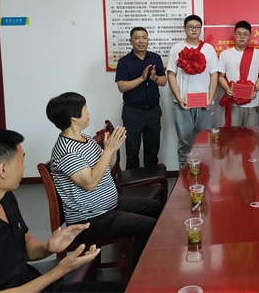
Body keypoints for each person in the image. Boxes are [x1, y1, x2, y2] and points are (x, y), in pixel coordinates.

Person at [0, 129, 126, 292]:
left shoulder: (5, 198)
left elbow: (25, 244)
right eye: (21, 161)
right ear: (3, 169)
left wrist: (48, 248)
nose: (24, 168)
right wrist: (58, 271)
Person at [46, 92, 162, 270]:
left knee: (156, 207)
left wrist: (112, 149)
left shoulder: (85, 139)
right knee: (148, 226)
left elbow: (108, 166)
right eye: (85, 109)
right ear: (73, 118)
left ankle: (148, 255)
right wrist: (108, 151)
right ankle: (138, 271)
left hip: (108, 206)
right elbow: (90, 183)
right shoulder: (66, 151)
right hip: (91, 218)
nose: (88, 112)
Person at [167, 15, 219, 169]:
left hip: (205, 103)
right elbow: (171, 74)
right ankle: (182, 174)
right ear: (184, 28)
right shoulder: (176, 48)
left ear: (201, 29)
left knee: (205, 140)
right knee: (184, 141)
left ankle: (205, 172)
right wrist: (178, 98)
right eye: (190, 27)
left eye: (197, 27)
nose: (194, 30)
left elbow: (214, 74)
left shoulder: (209, 49)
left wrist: (210, 98)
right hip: (182, 103)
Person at [115, 26, 167, 169]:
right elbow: (122, 87)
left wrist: (154, 78)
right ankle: (133, 182)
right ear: (131, 41)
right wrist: (142, 78)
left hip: (153, 111)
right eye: (137, 38)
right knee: (132, 152)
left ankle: (151, 180)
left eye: (144, 38)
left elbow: (163, 81)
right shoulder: (124, 61)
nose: (141, 41)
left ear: (148, 40)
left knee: (152, 151)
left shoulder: (155, 58)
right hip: (133, 112)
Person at [218, 20, 259, 127]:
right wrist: (227, 89)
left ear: (250, 36)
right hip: (233, 101)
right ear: (234, 35)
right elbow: (220, 76)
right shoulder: (225, 54)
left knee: (251, 134)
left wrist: (255, 90)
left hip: (252, 102)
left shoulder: (257, 53)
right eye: (239, 34)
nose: (242, 37)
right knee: (234, 134)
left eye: (245, 34)